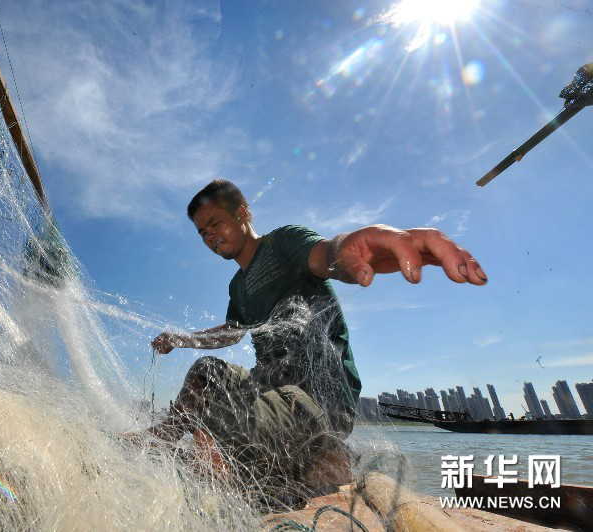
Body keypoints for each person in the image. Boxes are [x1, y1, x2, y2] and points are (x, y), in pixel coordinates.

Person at [129, 179, 486, 507]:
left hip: (318, 399)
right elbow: (233, 332)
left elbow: (328, 256)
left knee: (219, 432)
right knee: (207, 374)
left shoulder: (282, 244)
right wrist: (183, 339)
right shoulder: (237, 286)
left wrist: (352, 250)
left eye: (216, 224)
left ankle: (325, 457)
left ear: (243, 214)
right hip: (269, 392)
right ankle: (164, 442)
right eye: (202, 233)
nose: (211, 237)